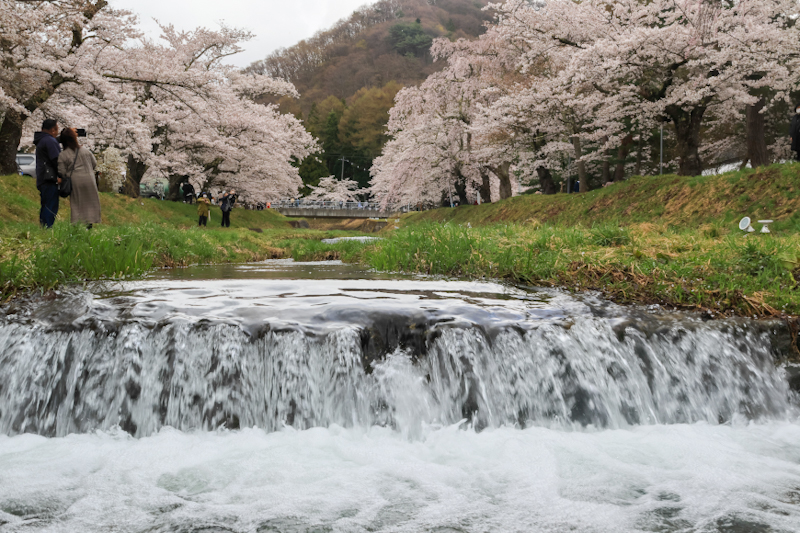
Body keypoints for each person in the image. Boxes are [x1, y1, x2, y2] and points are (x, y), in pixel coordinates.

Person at [58, 127, 100, 227]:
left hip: (76, 180)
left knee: (77, 203)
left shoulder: (63, 155)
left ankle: (77, 225)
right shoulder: (86, 151)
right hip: (89, 179)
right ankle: (89, 225)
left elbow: (62, 171)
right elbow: (94, 164)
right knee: (89, 203)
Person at [33, 119, 62, 228]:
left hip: (42, 178)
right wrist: (60, 176)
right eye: (57, 129)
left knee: (45, 204)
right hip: (50, 178)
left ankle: (43, 227)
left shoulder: (42, 140)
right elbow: (56, 160)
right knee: (50, 205)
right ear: (53, 130)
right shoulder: (50, 141)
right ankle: (47, 228)